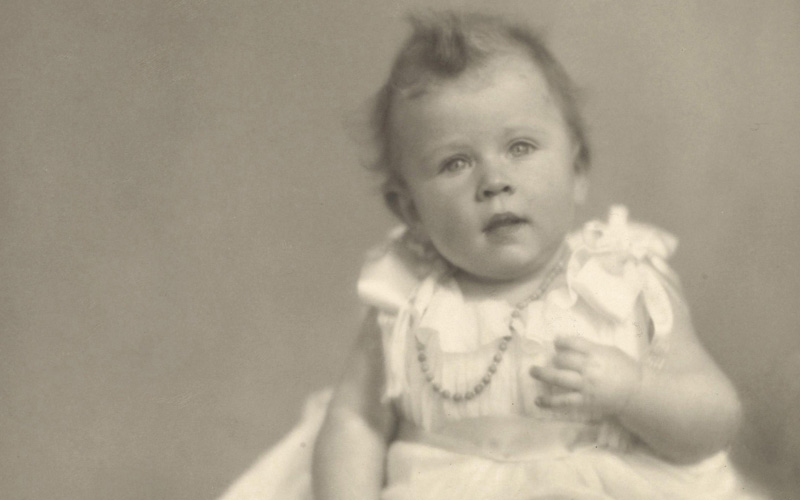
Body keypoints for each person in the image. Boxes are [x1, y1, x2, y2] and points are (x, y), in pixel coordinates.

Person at [218, 10, 764, 500]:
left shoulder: (624, 280)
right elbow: (356, 421)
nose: (494, 182)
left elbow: (714, 419)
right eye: (456, 163)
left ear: (577, 172)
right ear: (409, 209)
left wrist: (633, 391)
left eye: (520, 148)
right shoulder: (404, 297)